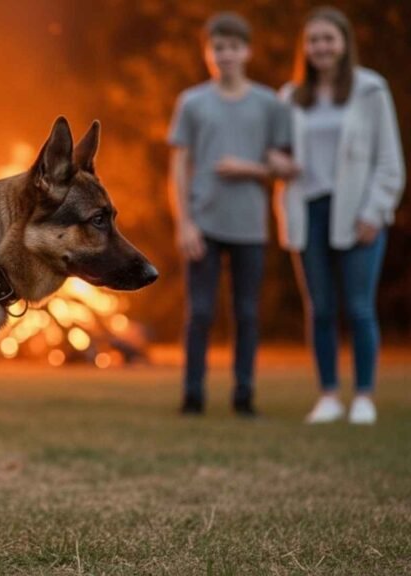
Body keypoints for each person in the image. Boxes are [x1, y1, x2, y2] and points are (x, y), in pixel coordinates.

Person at [270, 6, 405, 425]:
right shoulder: (290, 96)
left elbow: (389, 159)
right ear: (304, 48)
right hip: (306, 210)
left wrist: (376, 210)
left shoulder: (370, 90)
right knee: (321, 308)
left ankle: (363, 397)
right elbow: (273, 151)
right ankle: (328, 395)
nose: (321, 47)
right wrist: (278, 162)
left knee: (360, 308)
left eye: (329, 38)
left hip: (357, 212)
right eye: (313, 40)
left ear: (344, 43)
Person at [167, 12, 291, 417]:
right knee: (200, 313)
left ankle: (244, 395)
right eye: (218, 48)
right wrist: (184, 222)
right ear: (208, 52)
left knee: (247, 313)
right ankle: (193, 395)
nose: (227, 55)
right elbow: (178, 167)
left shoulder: (269, 104)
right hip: (203, 222)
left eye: (234, 47)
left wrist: (248, 169)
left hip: (250, 226)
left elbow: (285, 166)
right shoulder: (192, 102)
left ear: (247, 51)